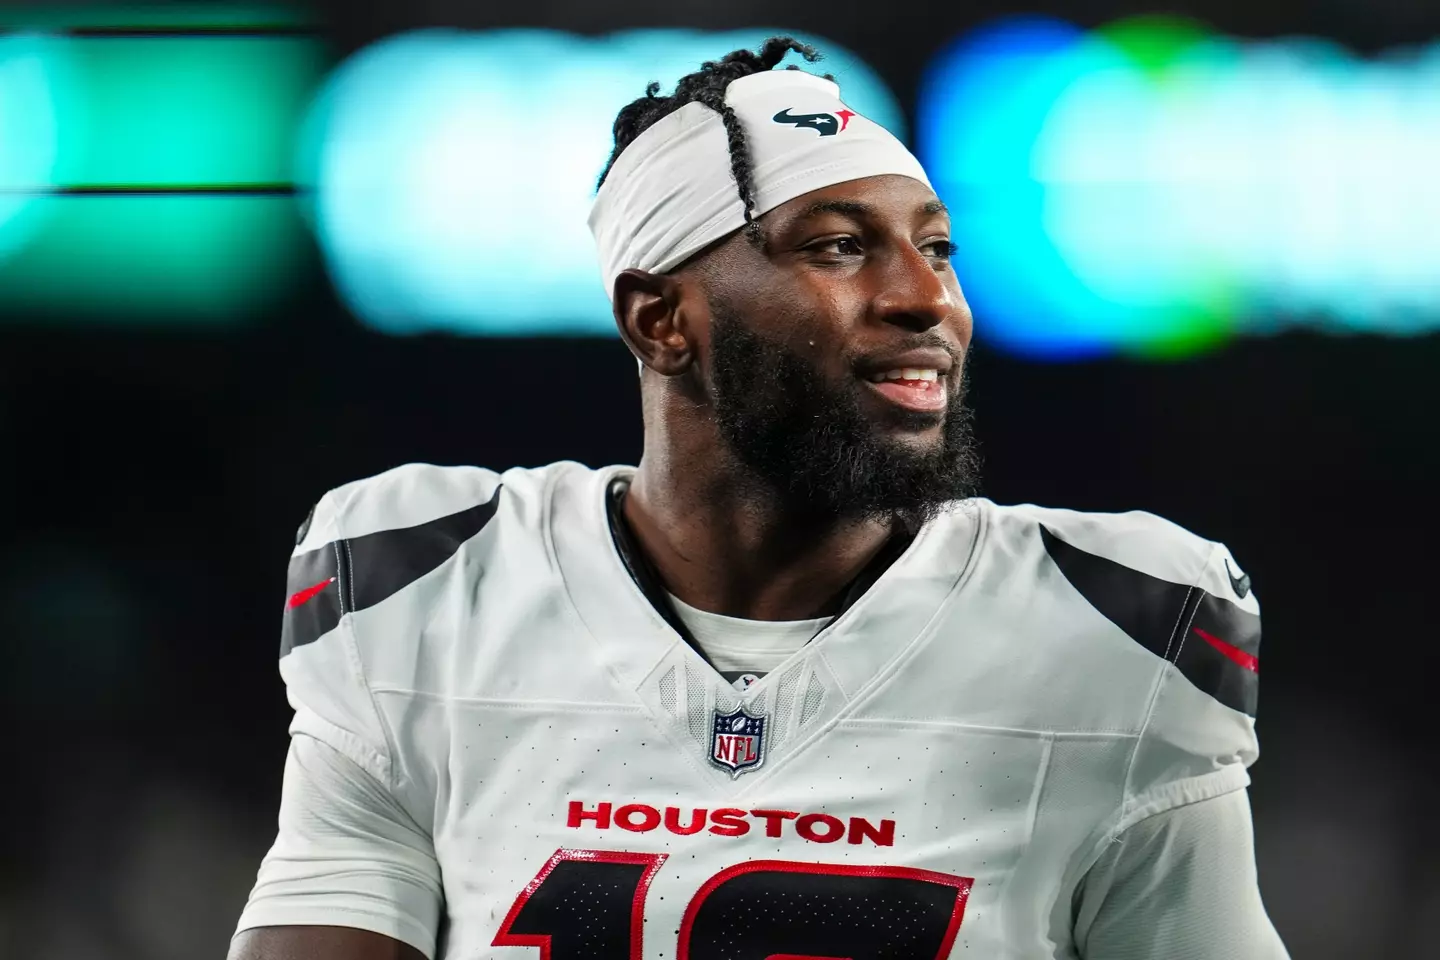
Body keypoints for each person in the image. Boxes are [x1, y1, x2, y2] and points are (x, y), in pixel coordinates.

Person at [230, 37, 1288, 960]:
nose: (928, 299)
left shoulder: (1110, 629)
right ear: (660, 321)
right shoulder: (425, 590)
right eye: (837, 246)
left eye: (936, 247)